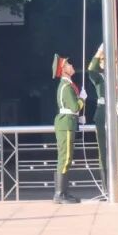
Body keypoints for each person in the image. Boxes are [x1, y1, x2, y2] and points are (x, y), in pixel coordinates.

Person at [86, 44, 118, 192]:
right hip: (103, 114)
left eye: (113, 60)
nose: (109, 62)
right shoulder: (99, 77)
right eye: (104, 60)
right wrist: (99, 52)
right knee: (104, 153)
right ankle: (106, 189)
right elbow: (91, 70)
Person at [52, 53, 85, 204]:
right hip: (65, 124)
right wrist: (82, 99)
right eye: (68, 64)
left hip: (68, 123)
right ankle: (59, 194)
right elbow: (74, 106)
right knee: (64, 158)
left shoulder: (68, 85)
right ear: (63, 70)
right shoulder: (66, 87)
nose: (71, 66)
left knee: (67, 158)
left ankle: (64, 192)